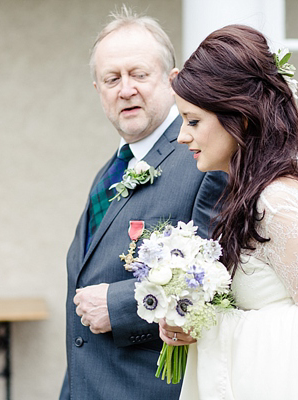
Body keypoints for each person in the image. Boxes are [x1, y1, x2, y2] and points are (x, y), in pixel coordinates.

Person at [159, 25, 298, 399]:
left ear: (241, 117)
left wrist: (214, 326)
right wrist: (189, 317)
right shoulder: (246, 194)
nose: (182, 136)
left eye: (193, 121)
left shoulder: (276, 202)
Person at [59, 7, 226, 400]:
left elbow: (219, 284)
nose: (125, 89)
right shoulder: (110, 172)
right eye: (111, 79)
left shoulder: (205, 162)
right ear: (98, 90)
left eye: (139, 74)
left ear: (172, 81)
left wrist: (117, 305)